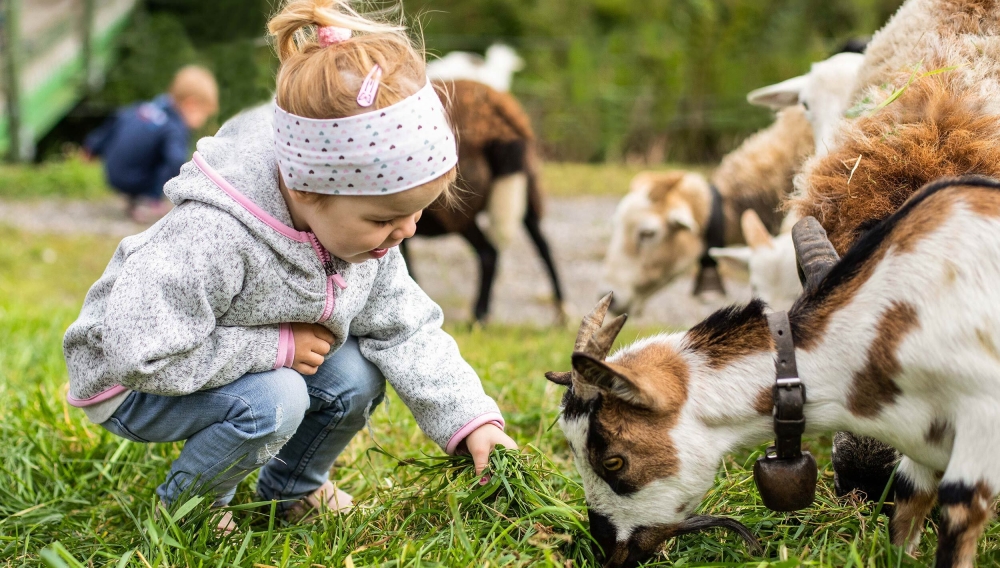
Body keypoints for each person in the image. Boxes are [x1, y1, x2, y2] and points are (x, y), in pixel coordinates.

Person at [63, 0, 516, 532]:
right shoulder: (215, 233)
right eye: (384, 218)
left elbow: (408, 327)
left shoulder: (362, 236)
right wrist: (274, 348)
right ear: (308, 189)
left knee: (358, 374)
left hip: (238, 358)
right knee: (275, 399)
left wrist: (471, 420)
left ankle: (290, 490)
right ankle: (186, 509)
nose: (406, 232)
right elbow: (137, 352)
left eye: (415, 212)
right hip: (134, 379)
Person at [83, 65, 219, 223]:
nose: (202, 121)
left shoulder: (143, 108)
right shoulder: (174, 127)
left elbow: (115, 121)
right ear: (191, 104)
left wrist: (92, 147)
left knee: (151, 148)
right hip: (134, 179)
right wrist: (188, 184)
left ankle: (134, 199)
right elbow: (175, 161)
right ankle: (149, 201)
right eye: (204, 114)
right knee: (173, 159)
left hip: (112, 173)